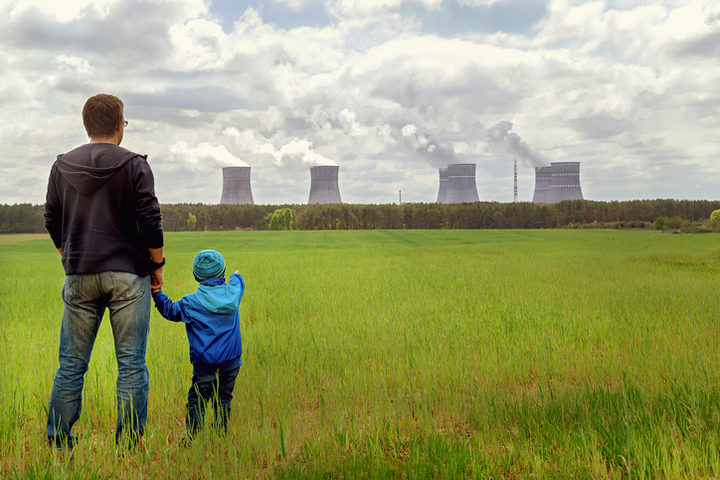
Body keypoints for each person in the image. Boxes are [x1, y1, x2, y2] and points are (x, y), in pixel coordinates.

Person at [44, 93, 164, 450]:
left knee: (71, 364)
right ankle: (128, 444)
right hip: (128, 274)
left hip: (80, 273)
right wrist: (157, 265)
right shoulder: (134, 165)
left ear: (86, 125)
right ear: (118, 126)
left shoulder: (61, 165)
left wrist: (71, 254)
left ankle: (58, 440)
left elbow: (51, 217)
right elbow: (150, 220)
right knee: (131, 364)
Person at [151, 249, 244, 442]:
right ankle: (221, 435)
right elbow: (237, 280)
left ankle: (192, 439)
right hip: (231, 363)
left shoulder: (191, 303)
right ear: (223, 272)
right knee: (224, 399)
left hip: (205, 365)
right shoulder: (233, 293)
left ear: (196, 276)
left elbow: (169, 311)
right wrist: (235, 276)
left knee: (198, 402)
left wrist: (157, 293)